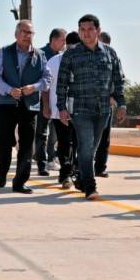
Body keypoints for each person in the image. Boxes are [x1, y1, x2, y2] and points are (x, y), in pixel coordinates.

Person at [57, 14, 127, 200]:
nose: (86, 33)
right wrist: (61, 107)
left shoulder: (110, 53)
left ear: (98, 30)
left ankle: (81, 176)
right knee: (86, 146)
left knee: (91, 148)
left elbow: (118, 80)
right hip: (80, 109)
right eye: (82, 30)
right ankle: (90, 186)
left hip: (103, 109)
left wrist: (121, 103)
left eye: (90, 29)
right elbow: (61, 83)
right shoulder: (71, 54)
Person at [0, 20, 52, 194]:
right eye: (23, 32)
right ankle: (2, 171)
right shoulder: (4, 52)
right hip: (6, 103)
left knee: (26, 145)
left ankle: (20, 181)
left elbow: (47, 79)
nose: (27, 35)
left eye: (30, 32)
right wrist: (9, 90)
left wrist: (35, 87)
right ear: (16, 34)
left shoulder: (40, 55)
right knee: (3, 142)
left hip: (30, 105)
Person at [42, 28, 77, 188]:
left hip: (81, 111)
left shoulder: (85, 61)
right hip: (58, 110)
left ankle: (74, 172)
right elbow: (46, 86)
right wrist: (46, 106)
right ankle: (65, 175)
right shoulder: (54, 61)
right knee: (64, 144)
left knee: (77, 143)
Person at [34, 29, 65, 176]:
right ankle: (41, 163)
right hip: (42, 100)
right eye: (62, 40)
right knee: (41, 133)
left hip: (59, 103)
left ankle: (52, 158)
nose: (64, 44)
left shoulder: (64, 57)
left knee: (55, 134)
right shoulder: (40, 54)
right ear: (54, 40)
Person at [94, 31, 114, 177]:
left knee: (104, 137)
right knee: (87, 136)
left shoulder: (112, 58)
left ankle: (100, 167)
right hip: (87, 103)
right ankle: (82, 166)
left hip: (106, 104)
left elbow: (119, 79)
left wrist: (113, 97)